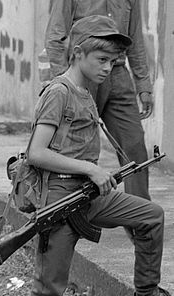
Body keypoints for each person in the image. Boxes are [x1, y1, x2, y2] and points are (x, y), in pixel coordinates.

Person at [26, 15, 169, 296]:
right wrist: (90, 169)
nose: (109, 68)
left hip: (86, 196)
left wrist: (95, 175)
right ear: (77, 53)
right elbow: (36, 152)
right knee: (49, 294)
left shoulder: (86, 92)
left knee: (151, 216)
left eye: (114, 62)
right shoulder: (59, 91)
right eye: (102, 60)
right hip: (60, 200)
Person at [44, 0, 153, 201]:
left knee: (134, 145)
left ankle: (141, 219)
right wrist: (67, 81)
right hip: (83, 75)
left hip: (118, 74)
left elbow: (135, 39)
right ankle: (64, 207)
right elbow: (55, 36)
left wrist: (143, 84)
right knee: (75, 147)